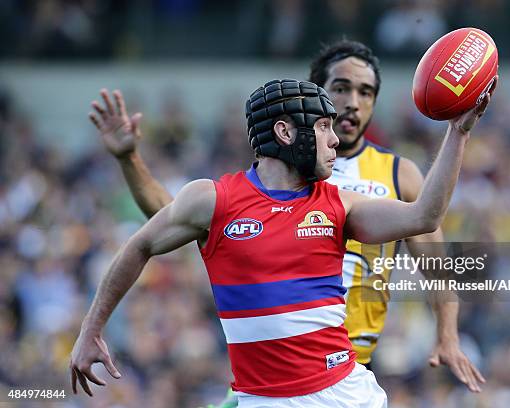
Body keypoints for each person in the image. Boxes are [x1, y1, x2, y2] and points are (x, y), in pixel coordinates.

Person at [88, 41, 486, 399]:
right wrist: (129, 158)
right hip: (266, 380)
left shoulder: (392, 177)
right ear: (313, 96)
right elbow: (169, 220)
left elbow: (432, 243)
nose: (353, 102)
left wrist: (447, 335)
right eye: (341, 88)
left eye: (366, 93)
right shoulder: (244, 187)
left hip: (343, 370)